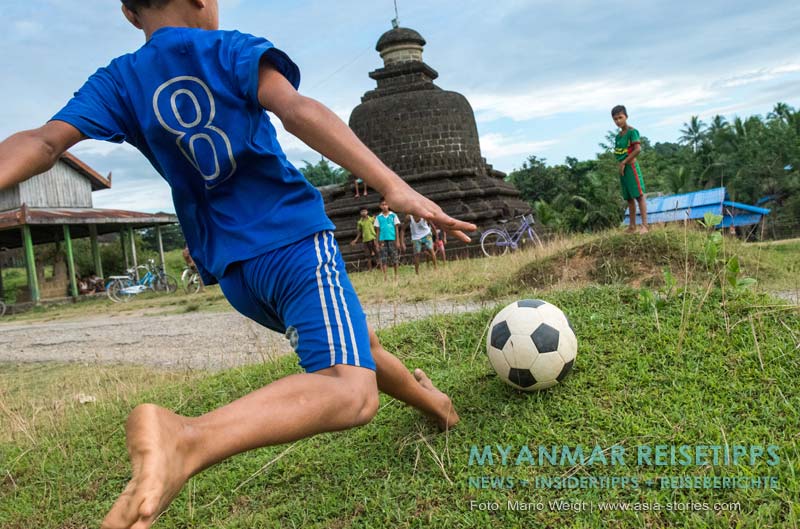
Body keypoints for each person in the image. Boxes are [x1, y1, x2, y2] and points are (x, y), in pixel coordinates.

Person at [0, 2, 476, 528]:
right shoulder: (231, 50)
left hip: (235, 274)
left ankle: (439, 407)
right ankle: (188, 440)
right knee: (348, 387)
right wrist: (394, 186)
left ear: (130, 13)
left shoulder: (119, 80)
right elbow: (296, 110)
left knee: (355, 342)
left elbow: (44, 143)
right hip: (291, 240)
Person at [612, 105, 649, 233]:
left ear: (626, 117)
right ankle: (632, 226)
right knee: (628, 198)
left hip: (631, 167)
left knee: (639, 195)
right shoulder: (618, 136)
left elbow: (637, 149)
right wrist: (621, 164)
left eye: (620, 118)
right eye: (615, 119)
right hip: (623, 169)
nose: (618, 121)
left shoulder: (632, 132)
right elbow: (619, 152)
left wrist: (625, 162)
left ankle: (645, 225)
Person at [374, 198, 402, 281]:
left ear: (389, 205)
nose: (384, 206)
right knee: (384, 258)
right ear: (380, 206)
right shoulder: (379, 217)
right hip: (382, 240)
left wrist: (398, 241)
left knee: (394, 257)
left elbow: (396, 229)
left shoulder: (393, 215)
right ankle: (385, 276)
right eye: (382, 205)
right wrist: (376, 242)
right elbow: (377, 230)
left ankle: (396, 275)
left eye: (386, 204)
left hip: (392, 239)